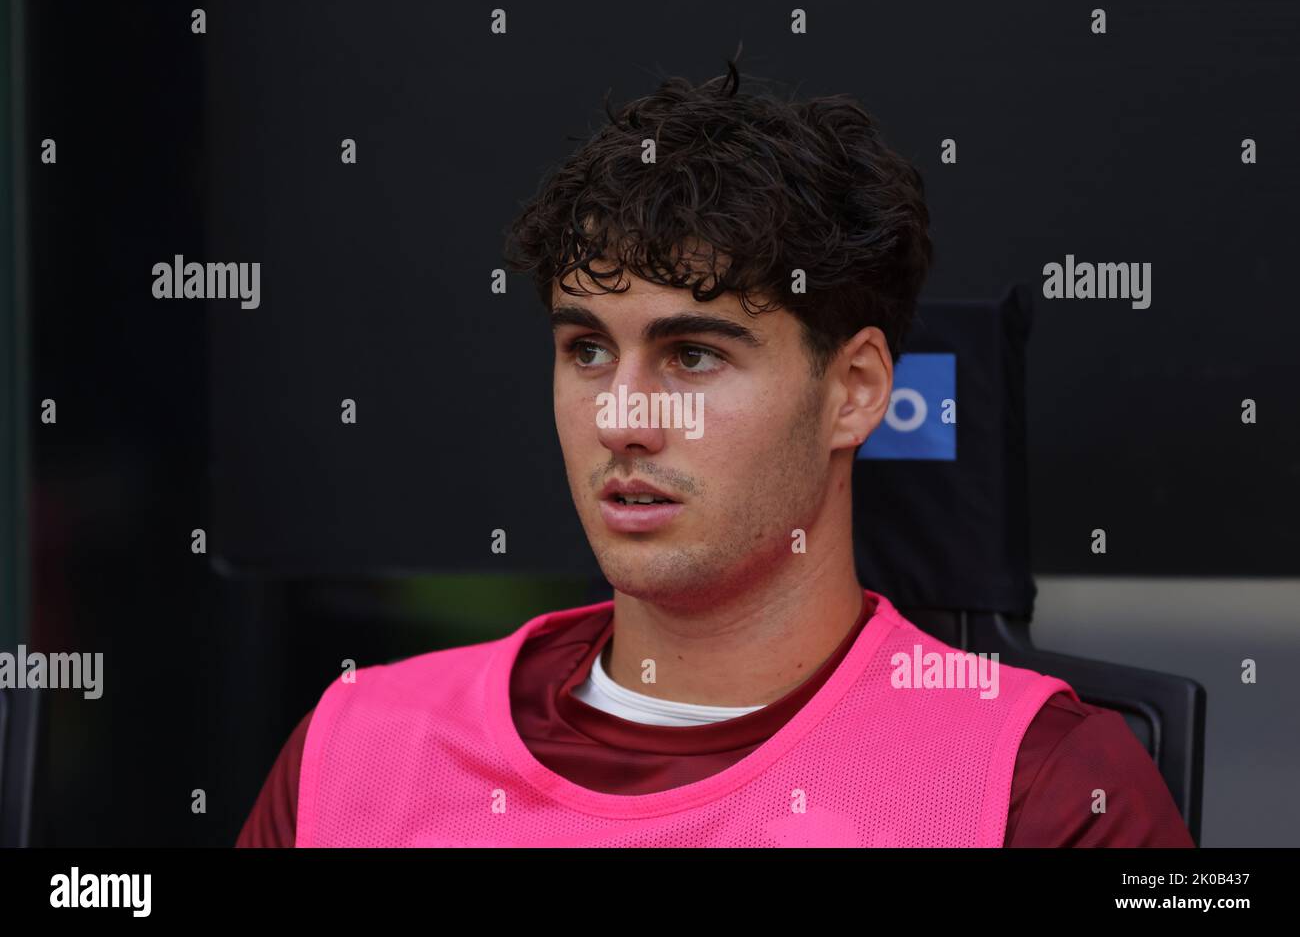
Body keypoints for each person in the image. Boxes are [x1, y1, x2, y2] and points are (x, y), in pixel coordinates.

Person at [238, 61, 1193, 847]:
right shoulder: (357, 749)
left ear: (855, 392)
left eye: (692, 355)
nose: (623, 418)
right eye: (587, 350)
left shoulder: (1046, 787)